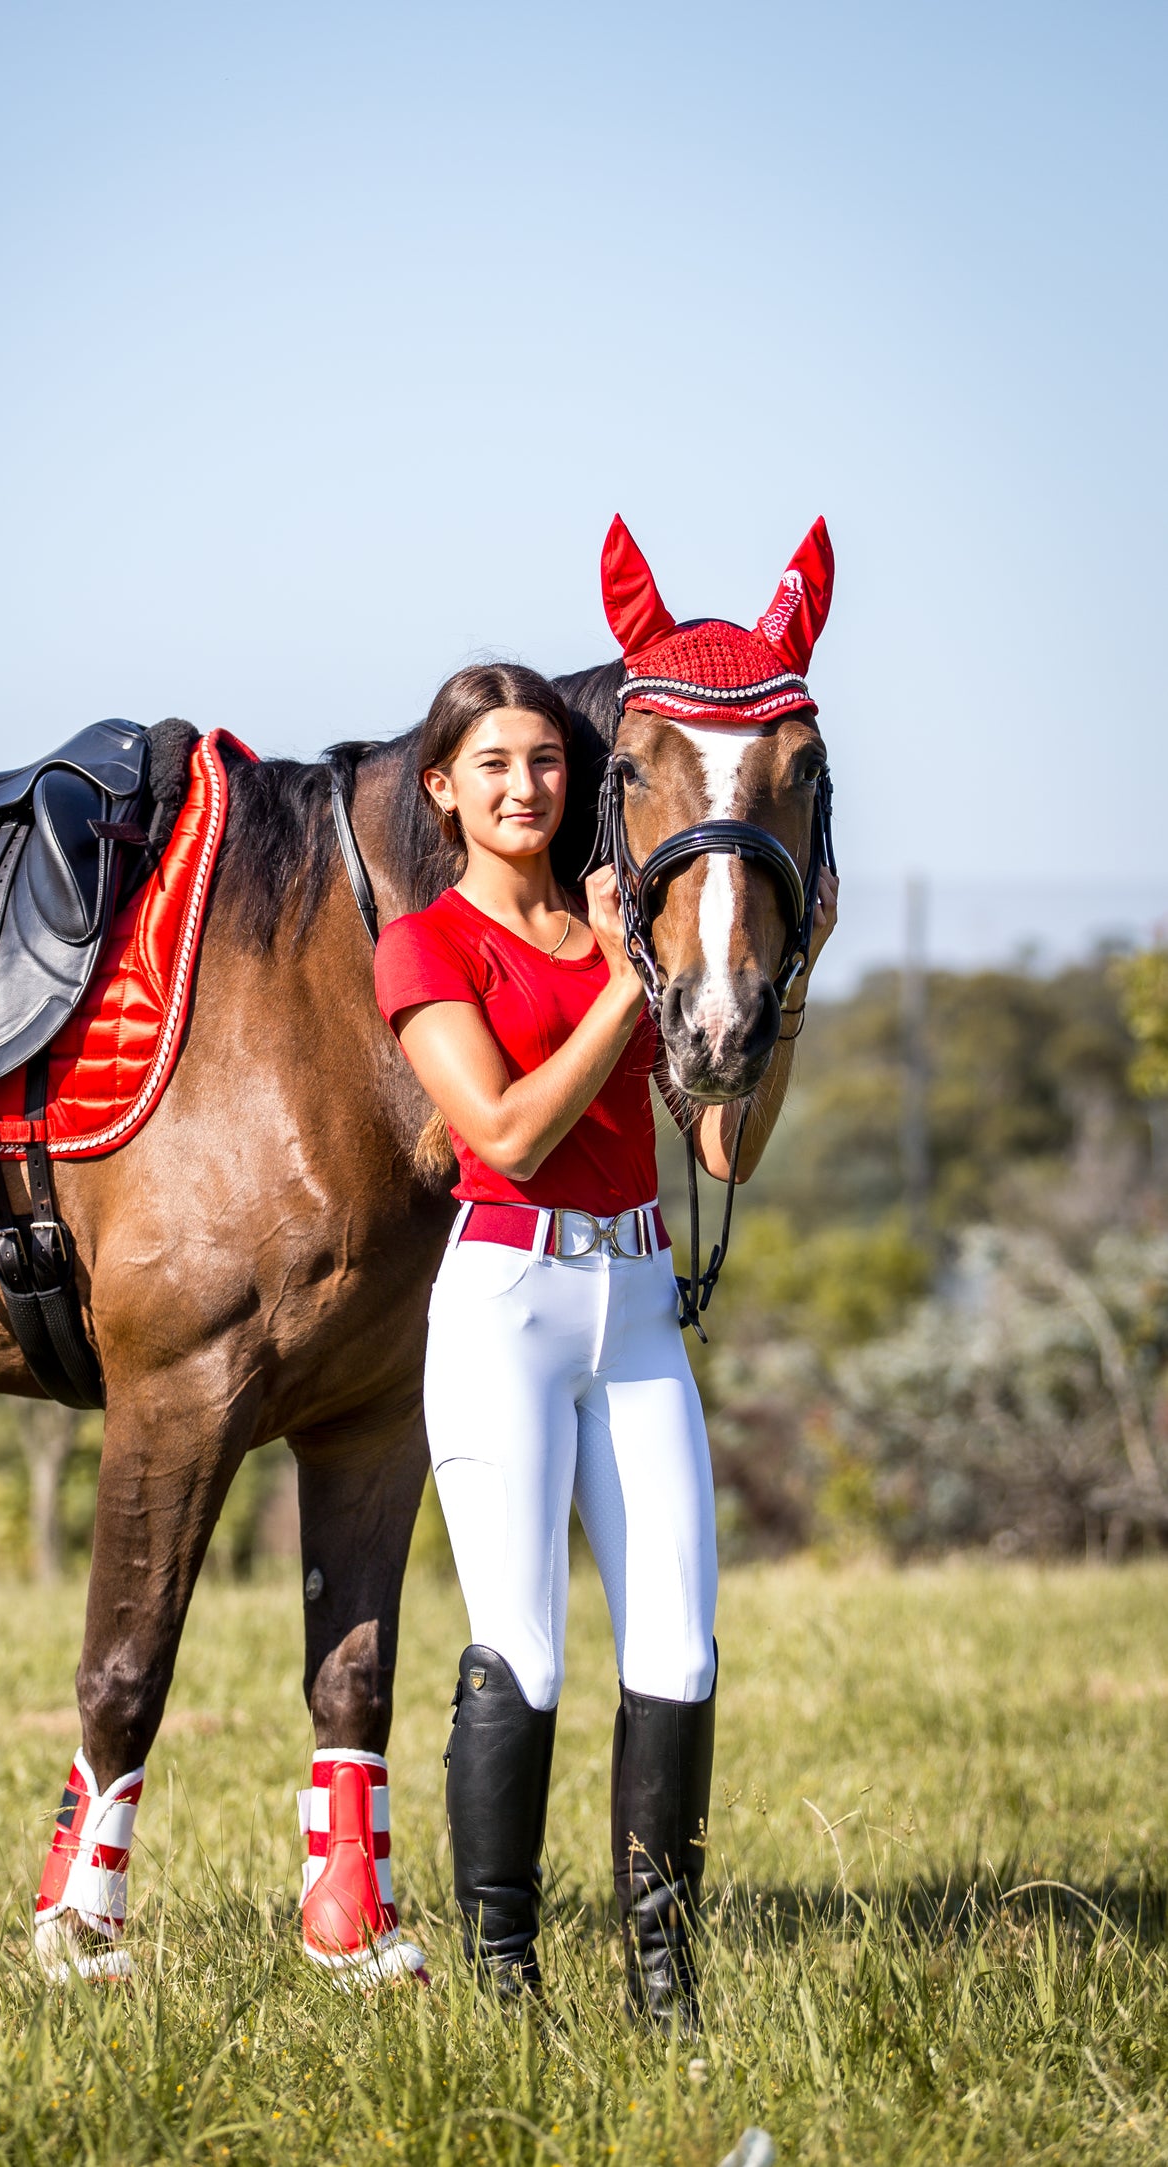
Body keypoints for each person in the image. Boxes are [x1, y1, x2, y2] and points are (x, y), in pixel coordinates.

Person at [373, 659, 837, 2017]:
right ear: (445, 791)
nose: (526, 787)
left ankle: (660, 1983)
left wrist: (775, 981)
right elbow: (506, 1131)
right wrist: (634, 985)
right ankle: (506, 1982)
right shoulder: (429, 945)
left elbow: (723, 1149)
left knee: (679, 1651)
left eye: (546, 763)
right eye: (495, 766)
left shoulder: (624, 940)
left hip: (634, 1306)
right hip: (505, 1306)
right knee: (521, 1644)